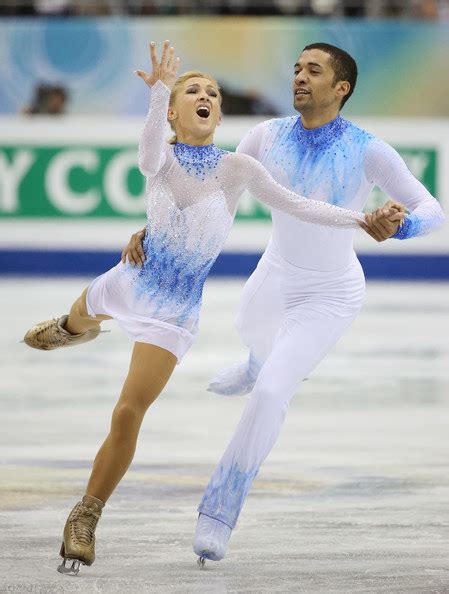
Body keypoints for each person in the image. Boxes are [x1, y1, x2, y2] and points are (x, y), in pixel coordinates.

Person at [22, 41, 381, 576]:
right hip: (133, 277)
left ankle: (85, 517)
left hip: (174, 312)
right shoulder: (161, 153)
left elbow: (301, 204)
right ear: (173, 110)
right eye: (193, 90)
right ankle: (74, 329)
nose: (205, 95)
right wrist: (156, 95)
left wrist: (360, 220)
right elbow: (148, 156)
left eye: (212, 91)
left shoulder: (238, 169)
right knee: (84, 310)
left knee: (127, 412)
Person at [122, 42, 444, 567]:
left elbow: (433, 209)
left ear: (341, 88)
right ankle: (255, 360)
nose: (299, 77)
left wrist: (401, 225)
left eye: (313, 71)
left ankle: (218, 515)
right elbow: (205, 185)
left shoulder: (368, 149)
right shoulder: (264, 136)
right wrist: (152, 229)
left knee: (272, 392)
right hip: (271, 282)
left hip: (331, 293)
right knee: (252, 334)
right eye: (296, 68)